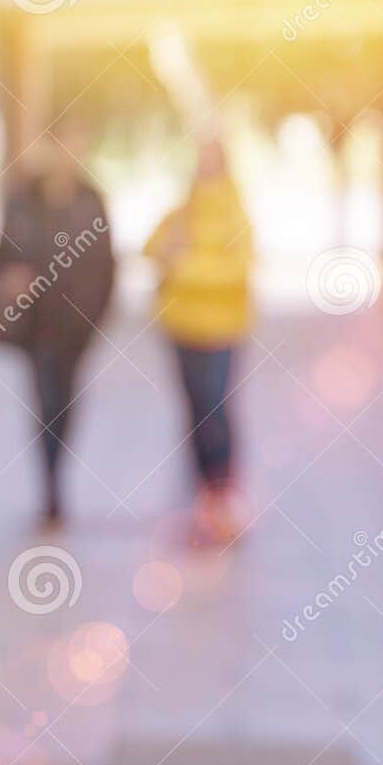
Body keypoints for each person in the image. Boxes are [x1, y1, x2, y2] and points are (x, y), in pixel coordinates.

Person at [0, 121, 116, 527]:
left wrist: (95, 318)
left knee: (67, 404)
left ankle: (57, 472)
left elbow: (108, 266)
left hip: (77, 326)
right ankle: (50, 487)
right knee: (45, 402)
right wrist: (11, 276)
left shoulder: (92, 200)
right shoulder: (23, 198)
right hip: (36, 324)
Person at [144, 135, 254, 543]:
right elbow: (151, 249)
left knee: (216, 406)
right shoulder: (180, 214)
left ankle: (224, 490)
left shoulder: (234, 216)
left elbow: (237, 270)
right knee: (193, 409)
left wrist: (183, 266)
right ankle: (202, 495)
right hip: (180, 327)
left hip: (223, 329)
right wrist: (172, 258)